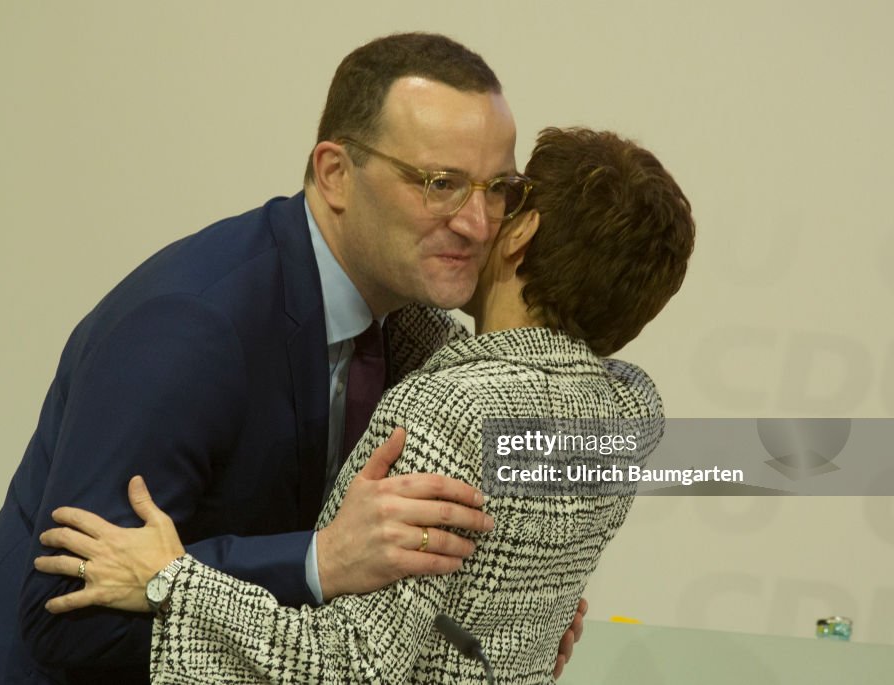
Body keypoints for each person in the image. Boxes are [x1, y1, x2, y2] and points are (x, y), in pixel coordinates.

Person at [0, 33, 583, 684]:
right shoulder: (191, 326)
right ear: (336, 173)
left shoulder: (419, 333)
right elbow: (67, 611)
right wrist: (314, 562)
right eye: (439, 183)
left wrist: (507, 616)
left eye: (498, 189)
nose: (476, 222)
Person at [35, 126, 696, 683]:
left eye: (502, 194)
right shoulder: (632, 405)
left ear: (522, 235)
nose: (474, 215)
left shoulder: (447, 410)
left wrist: (171, 581)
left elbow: (354, 661)